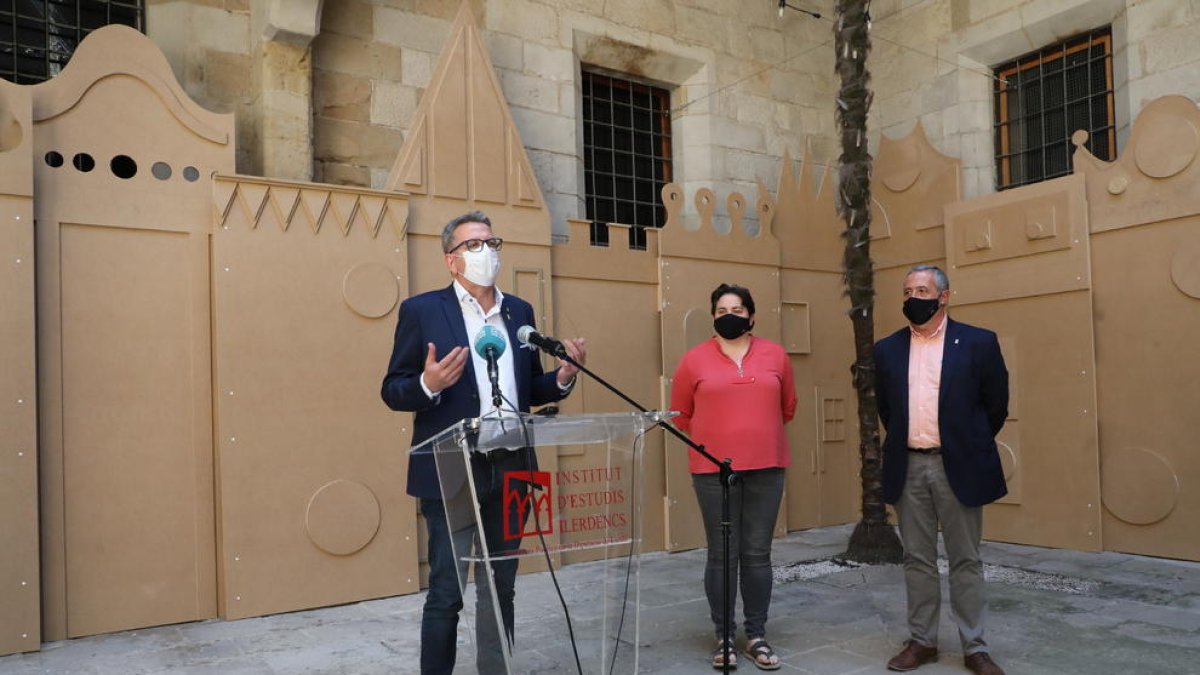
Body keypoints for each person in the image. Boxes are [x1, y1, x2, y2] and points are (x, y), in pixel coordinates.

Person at [381, 211, 586, 675]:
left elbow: (528, 388)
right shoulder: (422, 311)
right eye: (474, 245)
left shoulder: (519, 312)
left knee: (501, 586)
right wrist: (428, 384)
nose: (486, 252)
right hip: (453, 467)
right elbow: (392, 389)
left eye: (492, 243)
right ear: (452, 260)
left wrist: (562, 378)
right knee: (447, 591)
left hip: (512, 463)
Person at [873, 265, 1009, 675]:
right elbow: (887, 409)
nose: (914, 297)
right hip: (909, 465)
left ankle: (975, 648)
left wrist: (967, 441)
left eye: (923, 290)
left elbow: (996, 406)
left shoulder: (979, 343)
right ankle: (922, 641)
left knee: (965, 558)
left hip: (959, 465)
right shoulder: (887, 349)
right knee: (917, 558)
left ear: (944, 296)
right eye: (908, 290)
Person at [669, 283, 797, 671]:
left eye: (738, 309)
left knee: (757, 553)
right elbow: (682, 414)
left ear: (751, 316)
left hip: (767, 467)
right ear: (713, 317)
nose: (730, 315)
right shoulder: (693, 360)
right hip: (713, 470)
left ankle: (756, 635)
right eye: (722, 309)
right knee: (721, 554)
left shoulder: (776, 355)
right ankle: (724, 636)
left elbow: (787, 407)